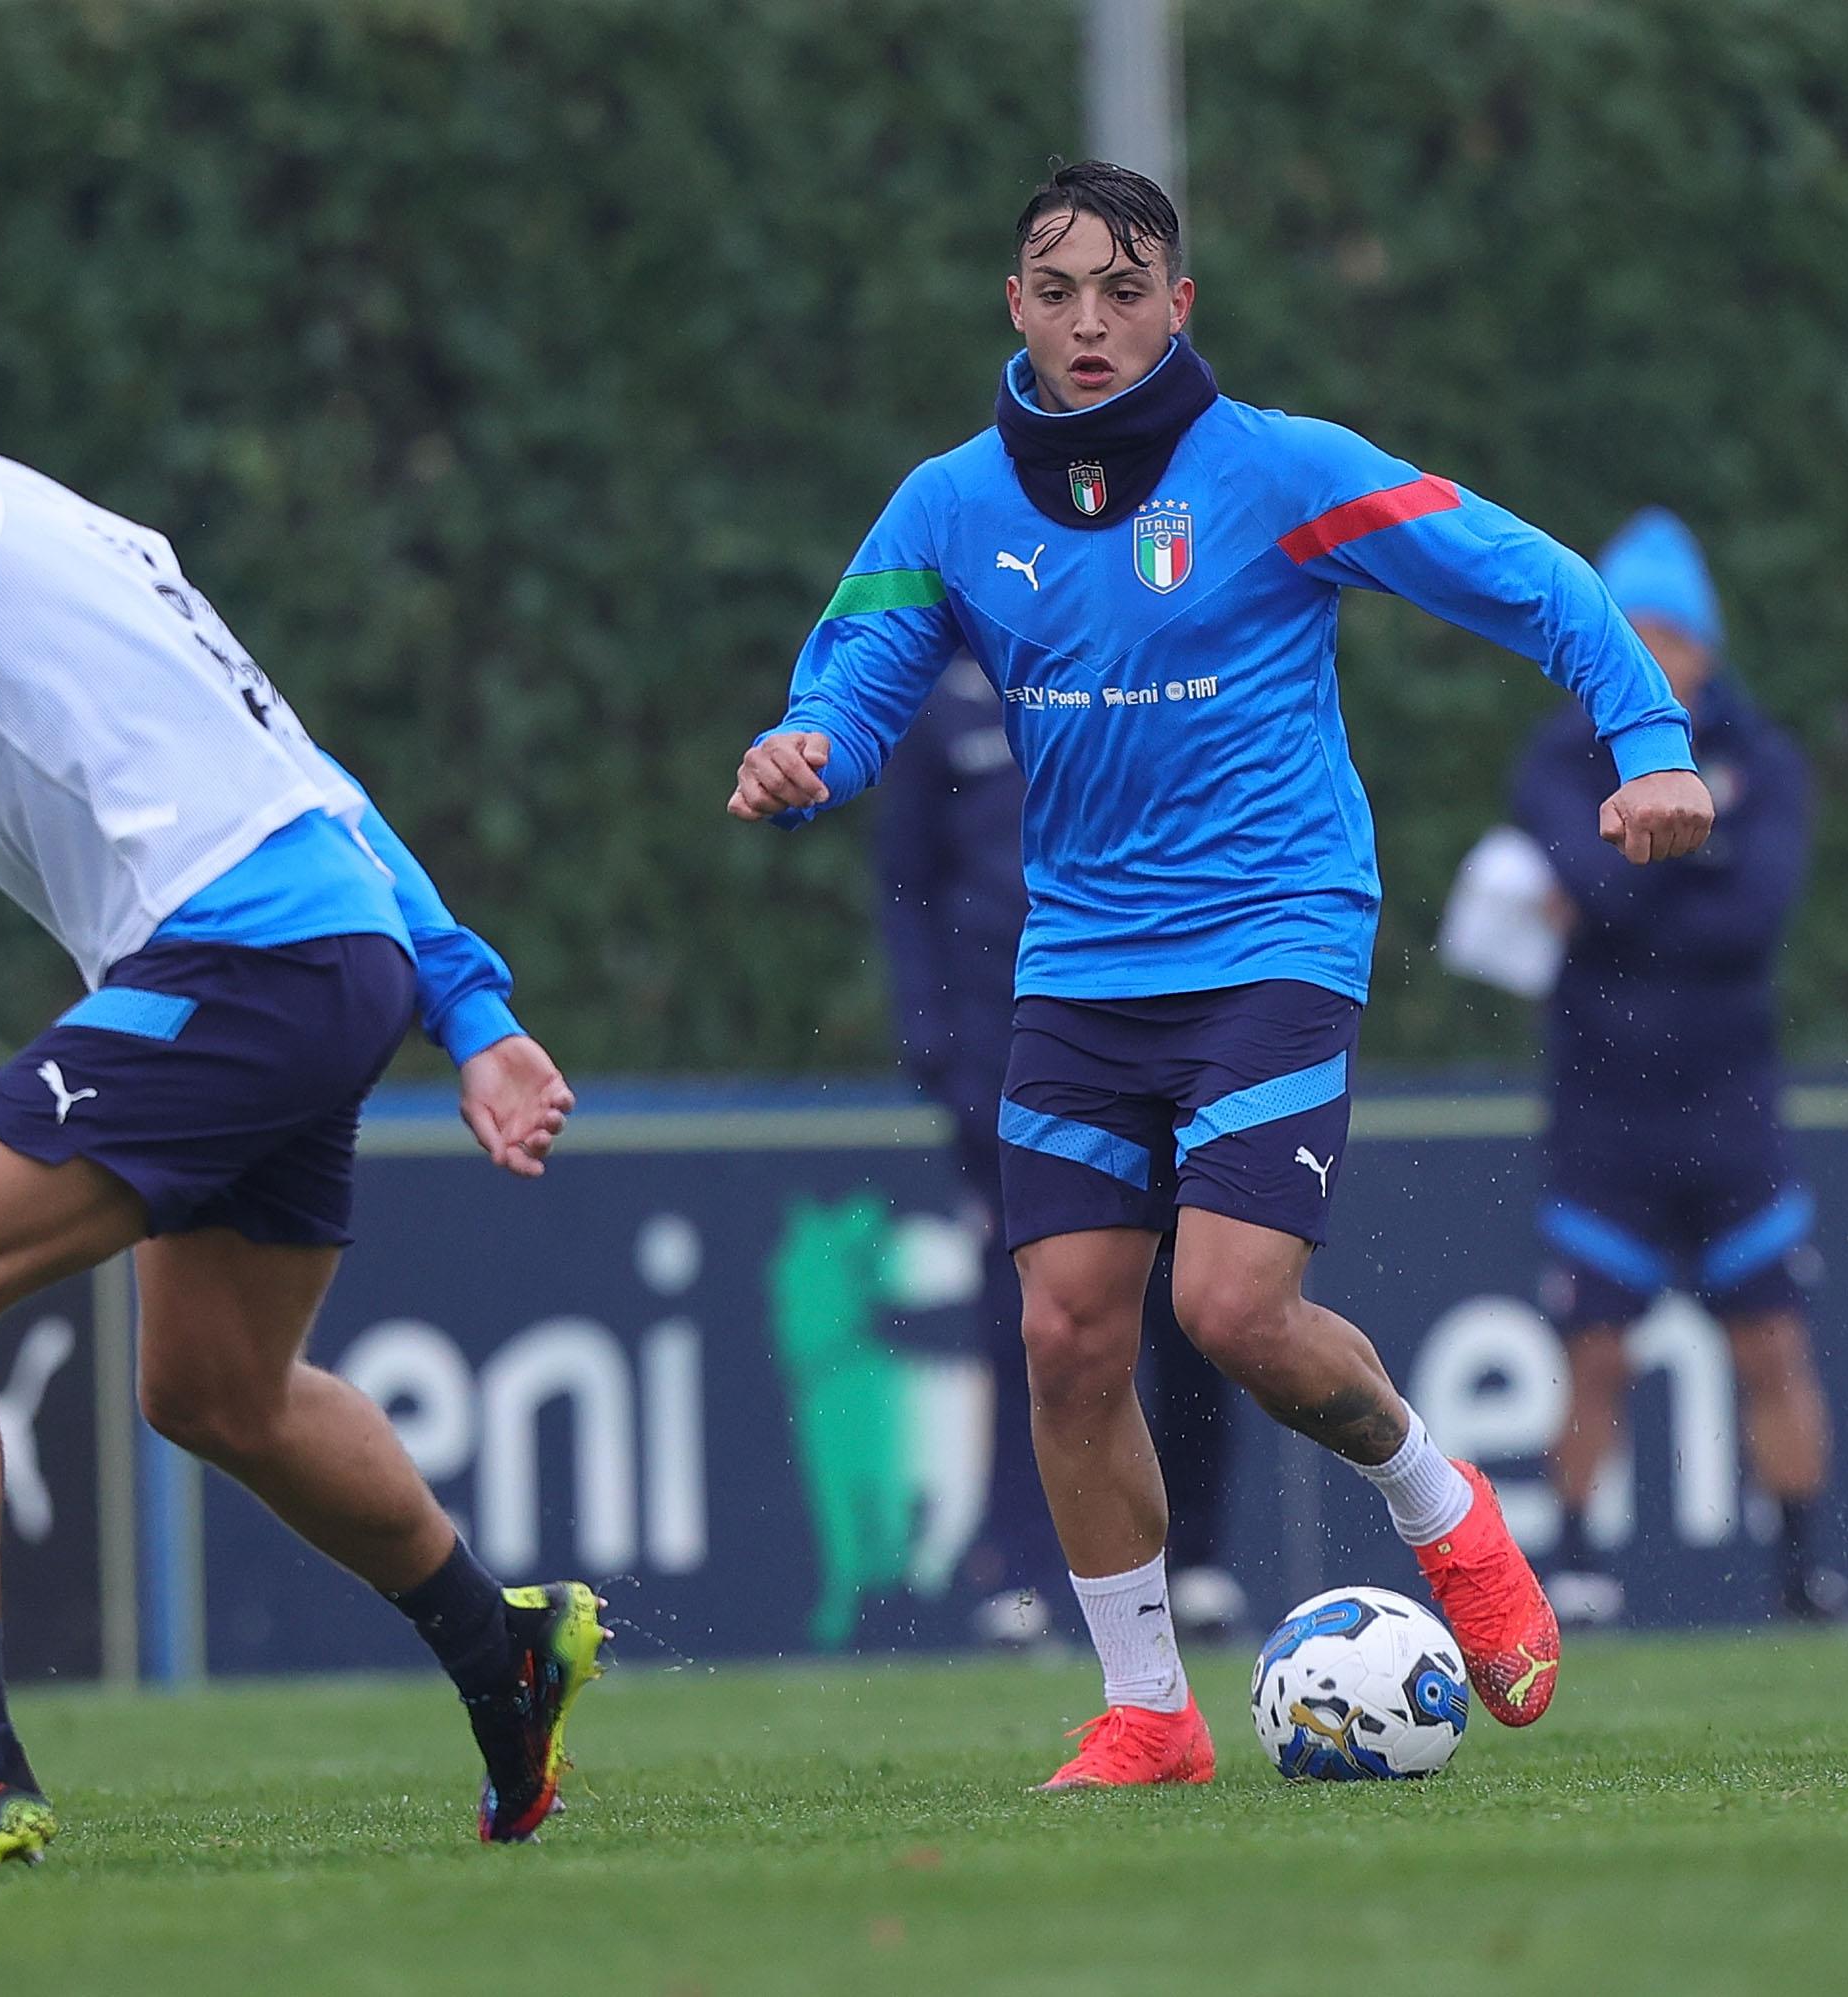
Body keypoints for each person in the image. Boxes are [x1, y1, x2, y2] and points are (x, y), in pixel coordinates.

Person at [729, 163, 1714, 1790]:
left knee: (1234, 1308)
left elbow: (1525, 572)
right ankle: (1149, 1712)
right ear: (1015, 310)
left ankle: (1441, 1511)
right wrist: (803, 752)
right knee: (1062, 1334)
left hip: (1276, 927)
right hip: (1081, 960)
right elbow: (855, 678)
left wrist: (1652, 741)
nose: (1093, 322)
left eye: (1126, 291)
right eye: (1059, 292)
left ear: (1180, 305)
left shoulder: (1279, 470)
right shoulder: (949, 505)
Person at [0, 291, 597, 1877]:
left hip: (235, 961)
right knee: (212, 1388)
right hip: (329, 947)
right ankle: (502, 1647)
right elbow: (312, 773)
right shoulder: (84, 528)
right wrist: (468, 1003)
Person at [1514, 508, 1848, 1624]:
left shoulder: (1769, 759)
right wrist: (1697, 849)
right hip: (1603, 1108)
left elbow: (1749, 920)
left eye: (1673, 633)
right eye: (1629, 632)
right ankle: (1573, 1569)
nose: (1655, 657)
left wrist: (1635, 868)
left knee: (1772, 1343)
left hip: (1731, 1105)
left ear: (1708, 646)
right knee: (1594, 1353)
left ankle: (1803, 1575)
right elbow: (1608, 888)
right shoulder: (1556, 759)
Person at [874, 663, 1245, 1646]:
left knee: (1192, 1291)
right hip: (1008, 1040)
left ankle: (1196, 1555)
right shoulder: (941, 704)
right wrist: (935, 1039)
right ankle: (1027, 1563)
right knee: (1032, 1313)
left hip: (1151, 1008)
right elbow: (907, 884)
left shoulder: (1125, 659)